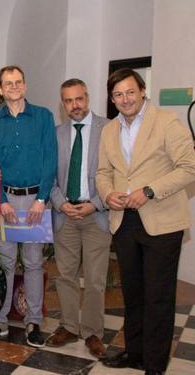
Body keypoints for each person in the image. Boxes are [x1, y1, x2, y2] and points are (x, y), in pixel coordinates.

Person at [97, 68, 195, 374]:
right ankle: (134, 353)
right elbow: (102, 173)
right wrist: (108, 193)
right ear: (112, 99)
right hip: (124, 222)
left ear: (142, 91)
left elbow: (189, 166)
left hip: (161, 223)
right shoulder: (109, 130)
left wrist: (150, 191)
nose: (124, 99)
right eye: (117, 95)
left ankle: (154, 364)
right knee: (134, 294)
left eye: (129, 92)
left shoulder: (166, 123)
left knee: (158, 297)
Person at [0, 65, 57, 348]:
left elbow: (50, 159)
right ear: (0, 89)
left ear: (25, 86)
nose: (13, 87)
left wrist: (42, 198)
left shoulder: (43, 117)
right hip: (5, 201)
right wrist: (0, 201)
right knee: (6, 261)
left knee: (35, 261)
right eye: (7, 83)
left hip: (35, 200)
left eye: (18, 82)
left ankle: (34, 321)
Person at [44, 79, 111, 359]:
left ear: (88, 97)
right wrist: (60, 203)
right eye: (68, 101)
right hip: (66, 215)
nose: (75, 105)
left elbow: (118, 173)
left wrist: (94, 205)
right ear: (63, 104)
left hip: (97, 214)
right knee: (66, 276)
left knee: (96, 279)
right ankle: (69, 326)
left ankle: (93, 331)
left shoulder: (109, 129)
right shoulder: (56, 134)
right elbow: (48, 174)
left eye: (79, 99)